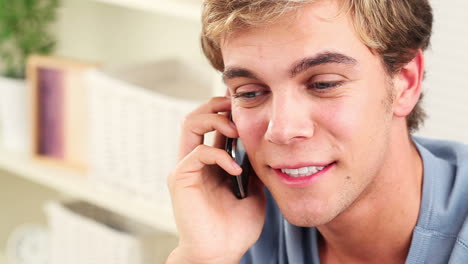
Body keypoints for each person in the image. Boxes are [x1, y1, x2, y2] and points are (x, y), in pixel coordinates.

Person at [166, 0, 468, 263]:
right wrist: (201, 258)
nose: (282, 130)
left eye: (323, 84)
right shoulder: (237, 220)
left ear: (405, 82)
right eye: (249, 92)